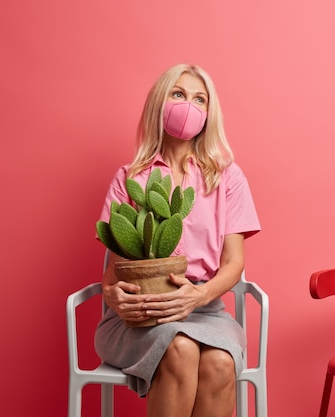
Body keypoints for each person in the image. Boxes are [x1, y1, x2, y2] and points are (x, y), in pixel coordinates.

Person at [94, 64, 261, 417]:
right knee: (180, 349)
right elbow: (113, 274)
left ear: (208, 113)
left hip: (206, 309)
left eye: (200, 99)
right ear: (160, 102)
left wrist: (197, 295)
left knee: (218, 361)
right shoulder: (130, 178)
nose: (189, 106)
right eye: (179, 94)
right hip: (139, 316)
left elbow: (234, 262)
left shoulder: (226, 177)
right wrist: (114, 296)